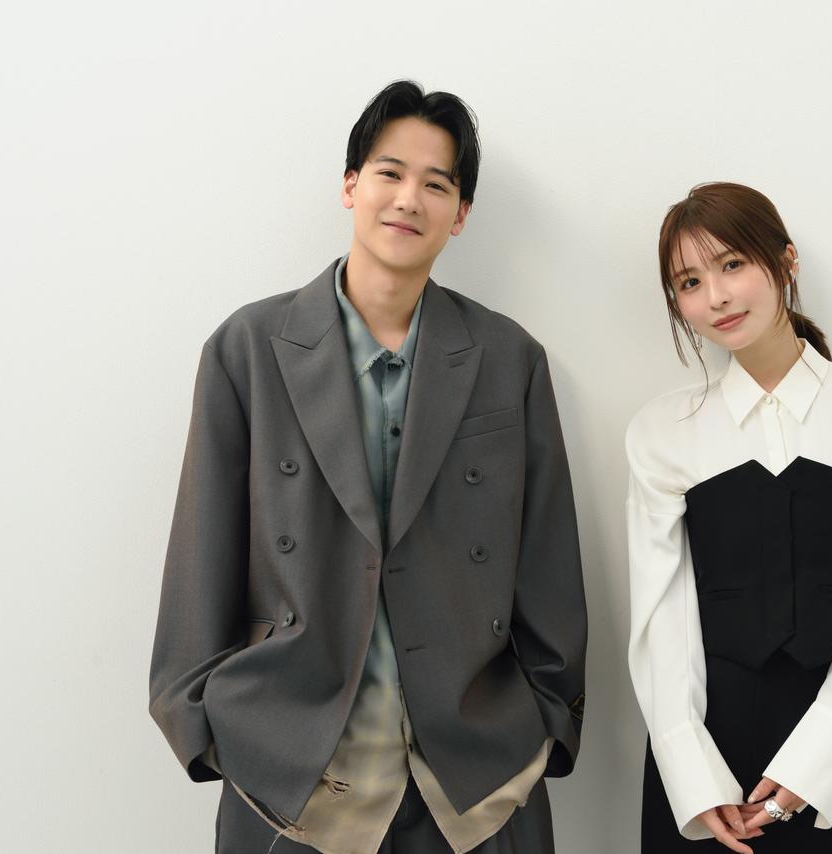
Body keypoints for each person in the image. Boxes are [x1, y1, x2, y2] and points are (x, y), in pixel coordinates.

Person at [149, 80, 587, 854]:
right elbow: (200, 552)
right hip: (292, 779)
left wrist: (547, 721)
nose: (409, 198)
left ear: (461, 213)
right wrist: (206, 725)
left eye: (437, 184)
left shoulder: (508, 357)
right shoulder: (248, 349)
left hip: (476, 783)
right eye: (389, 172)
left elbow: (547, 555)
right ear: (351, 185)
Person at [625, 182, 832, 853]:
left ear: (786, 261)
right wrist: (692, 774)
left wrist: (816, 765)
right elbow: (660, 614)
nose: (716, 296)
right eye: (690, 281)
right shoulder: (662, 431)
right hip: (706, 771)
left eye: (733, 264)